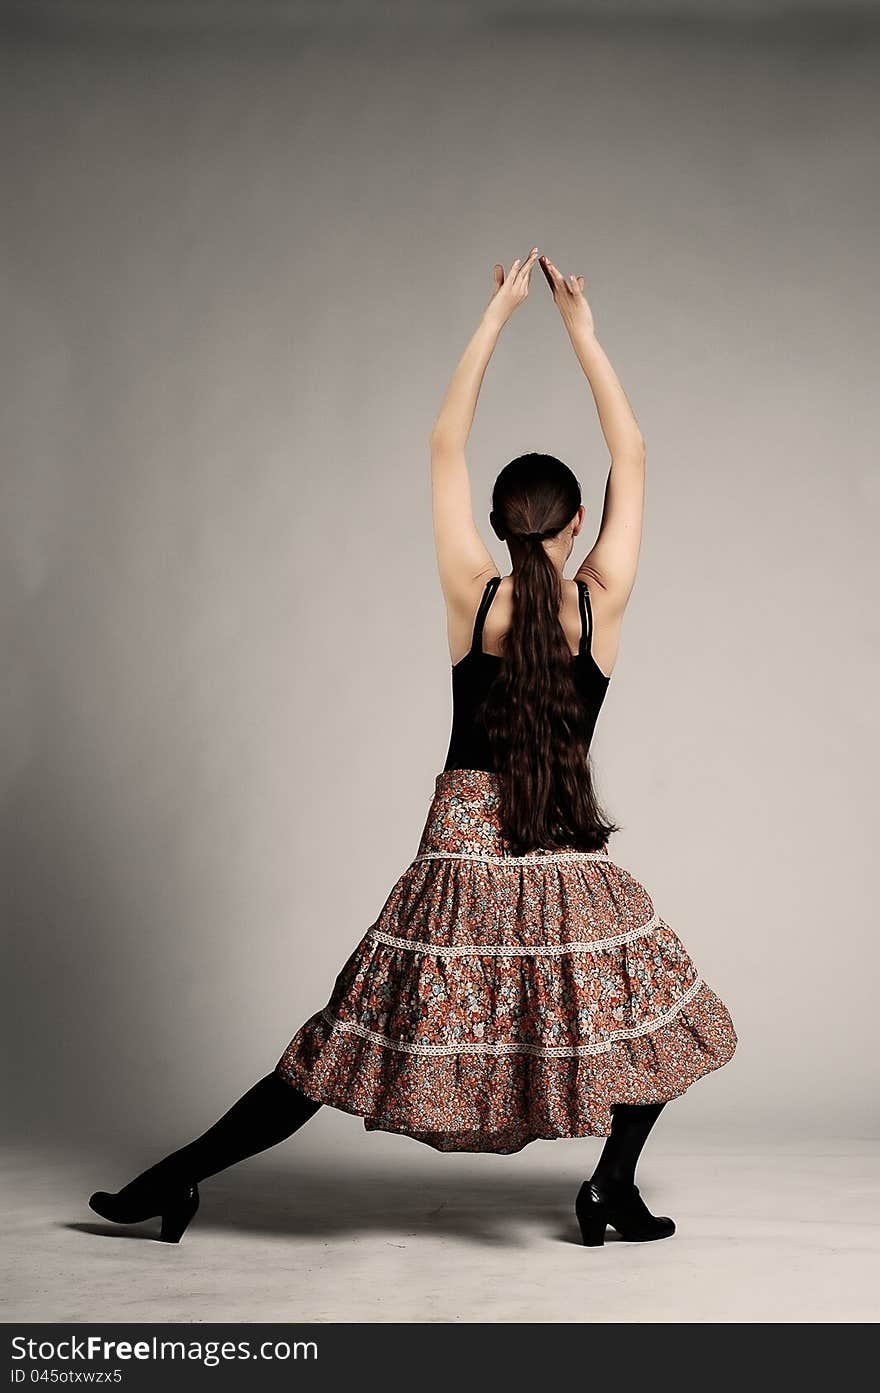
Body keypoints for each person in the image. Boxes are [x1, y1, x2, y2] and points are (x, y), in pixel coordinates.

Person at [89, 247, 736, 1248]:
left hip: (461, 841)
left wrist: (495, 311)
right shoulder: (597, 604)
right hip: (558, 848)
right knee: (650, 1011)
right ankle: (608, 1183)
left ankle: (174, 1179)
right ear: (570, 528)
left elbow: (443, 443)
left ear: (498, 524)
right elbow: (636, 453)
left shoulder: (470, 596)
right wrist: (580, 330)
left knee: (349, 1036)